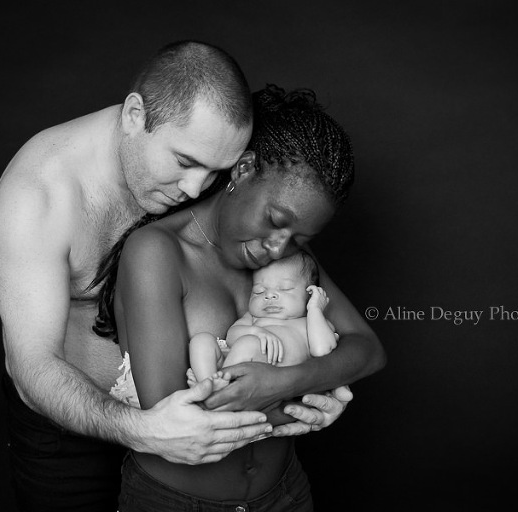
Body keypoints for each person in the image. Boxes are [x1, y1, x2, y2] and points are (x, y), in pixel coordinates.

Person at [0, 41, 350, 512]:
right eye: (183, 164)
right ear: (136, 114)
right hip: (76, 426)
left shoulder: (215, 149)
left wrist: (316, 385)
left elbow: (292, 276)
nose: (196, 189)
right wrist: (143, 429)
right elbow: (29, 365)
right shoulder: (40, 193)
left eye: (216, 172)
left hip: (199, 422)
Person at [92, 84, 386, 511]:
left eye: (299, 238)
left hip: (284, 495)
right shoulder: (157, 253)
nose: (278, 247)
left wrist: (287, 381)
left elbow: (369, 350)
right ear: (244, 169)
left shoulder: (284, 259)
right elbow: (180, 417)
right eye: (275, 221)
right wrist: (313, 398)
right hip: (177, 502)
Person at [188, 251, 338, 389]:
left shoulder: (312, 323)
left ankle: (221, 391)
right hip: (229, 363)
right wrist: (255, 331)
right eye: (259, 291)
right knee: (201, 340)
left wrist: (315, 310)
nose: (269, 295)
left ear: (310, 297)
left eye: (285, 288)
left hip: (267, 378)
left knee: (248, 344)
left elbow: (321, 351)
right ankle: (207, 385)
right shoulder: (253, 317)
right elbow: (231, 336)